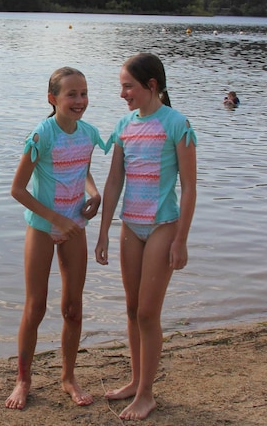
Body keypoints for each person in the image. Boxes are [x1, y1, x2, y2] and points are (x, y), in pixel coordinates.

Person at [94, 52, 197, 421]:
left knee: (149, 313)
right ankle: (136, 381)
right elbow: (114, 180)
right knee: (132, 308)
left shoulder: (176, 124)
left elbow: (188, 187)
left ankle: (148, 394)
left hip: (162, 226)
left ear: (151, 86)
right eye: (122, 86)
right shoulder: (124, 124)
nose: (122, 93)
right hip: (130, 227)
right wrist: (104, 230)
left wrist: (181, 239)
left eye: (128, 86)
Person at [5, 66, 103, 411]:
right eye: (71, 94)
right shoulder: (41, 135)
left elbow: (82, 167)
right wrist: (56, 217)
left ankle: (68, 377)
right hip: (43, 225)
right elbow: (18, 189)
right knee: (36, 306)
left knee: (73, 307)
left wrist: (94, 193)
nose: (79, 101)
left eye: (84, 93)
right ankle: (23, 380)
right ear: (53, 99)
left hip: (75, 224)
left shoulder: (88, 133)